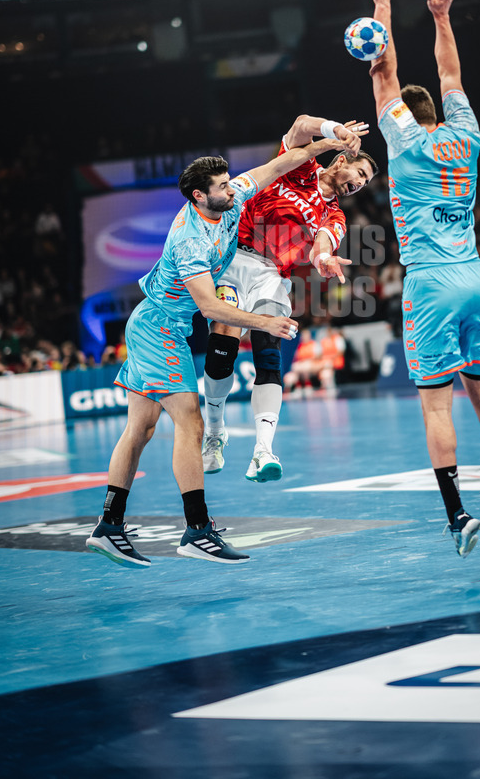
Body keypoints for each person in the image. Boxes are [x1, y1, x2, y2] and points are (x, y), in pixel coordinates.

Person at [86, 137, 347, 569]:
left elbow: (283, 163)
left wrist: (328, 140)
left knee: (140, 430)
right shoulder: (191, 241)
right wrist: (265, 322)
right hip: (160, 329)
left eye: (229, 182)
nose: (233, 188)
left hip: (154, 324)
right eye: (223, 186)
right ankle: (197, 530)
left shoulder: (230, 197)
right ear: (199, 196)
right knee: (191, 423)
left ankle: (109, 526)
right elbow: (209, 307)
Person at [364, 0, 480, 558]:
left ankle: (458, 515)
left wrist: (382, 4)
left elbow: (384, 71)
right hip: (475, 275)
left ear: (405, 118)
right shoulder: (465, 130)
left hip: (431, 282)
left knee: (436, 402)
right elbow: (450, 72)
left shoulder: (403, 141)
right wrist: (441, 18)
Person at [201, 116, 377, 483]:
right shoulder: (300, 167)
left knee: (269, 355)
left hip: (272, 276)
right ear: (341, 160)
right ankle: (214, 431)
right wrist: (336, 132)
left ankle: (263, 450)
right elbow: (300, 126)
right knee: (223, 345)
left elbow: (323, 243)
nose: (360, 184)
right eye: (360, 173)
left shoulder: (334, 214)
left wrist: (323, 258)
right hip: (234, 259)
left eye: (366, 183)